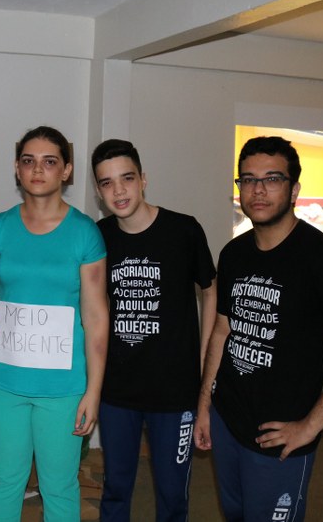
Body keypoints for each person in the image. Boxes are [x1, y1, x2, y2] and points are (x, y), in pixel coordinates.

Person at [194, 136, 323, 521]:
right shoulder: (234, 253)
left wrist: (310, 426)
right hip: (227, 420)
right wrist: (204, 405)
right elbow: (222, 332)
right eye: (248, 179)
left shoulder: (320, 256)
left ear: (294, 190)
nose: (258, 189)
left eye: (272, 178)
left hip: (279, 439)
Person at [0, 126, 109, 522]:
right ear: (17, 168)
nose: (38, 169)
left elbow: (96, 317)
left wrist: (94, 390)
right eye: (28, 161)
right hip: (1, 382)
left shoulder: (85, 233)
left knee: (59, 486)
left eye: (49, 161)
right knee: (5, 481)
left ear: (66, 170)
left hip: (63, 387)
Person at [91, 139, 216, 522]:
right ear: (98, 191)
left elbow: (211, 291)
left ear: (143, 179)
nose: (119, 191)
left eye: (127, 178)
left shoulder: (184, 230)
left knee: (173, 493)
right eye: (107, 183)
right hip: (117, 389)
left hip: (175, 391)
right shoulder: (99, 236)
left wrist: (204, 359)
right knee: (115, 487)